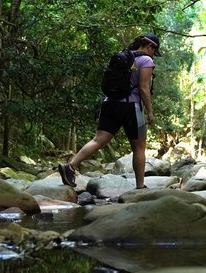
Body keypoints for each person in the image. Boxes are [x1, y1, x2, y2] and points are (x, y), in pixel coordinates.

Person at [58, 33, 162, 190]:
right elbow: (143, 88)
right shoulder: (145, 60)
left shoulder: (124, 56)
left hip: (109, 103)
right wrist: (150, 112)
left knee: (98, 140)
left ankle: (71, 166)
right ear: (150, 46)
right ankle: (140, 186)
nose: (154, 54)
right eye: (154, 50)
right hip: (130, 106)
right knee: (139, 147)